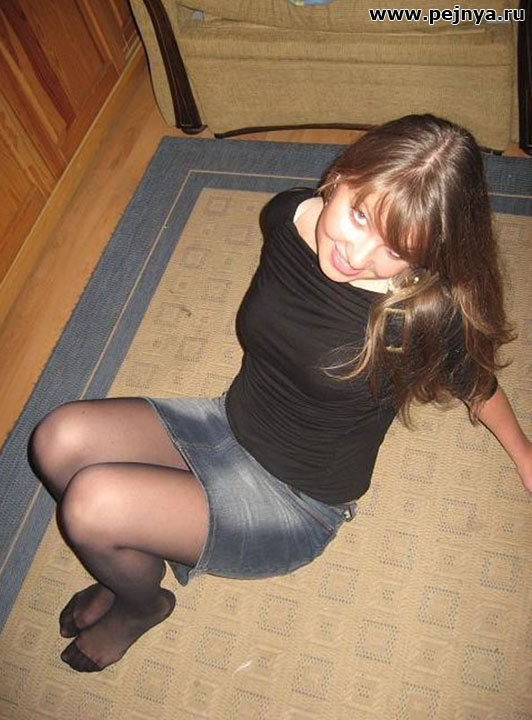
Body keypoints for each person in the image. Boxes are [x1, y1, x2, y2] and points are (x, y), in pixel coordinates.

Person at [27, 114, 532, 673]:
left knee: (93, 506)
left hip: (295, 500)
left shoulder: (421, 316)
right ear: (341, 177)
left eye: (395, 249)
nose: (357, 254)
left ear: (423, 259)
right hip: (229, 423)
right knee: (56, 438)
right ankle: (128, 566)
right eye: (360, 215)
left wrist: (525, 456)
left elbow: (477, 383)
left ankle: (140, 603)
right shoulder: (287, 215)